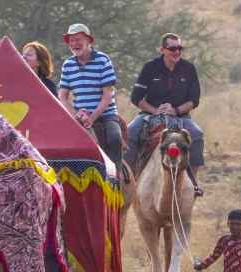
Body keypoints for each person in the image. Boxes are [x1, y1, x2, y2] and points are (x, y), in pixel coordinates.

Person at [126, 33, 205, 196]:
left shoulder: (189, 68)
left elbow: (194, 100)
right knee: (130, 132)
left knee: (197, 134)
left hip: (180, 117)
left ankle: (193, 182)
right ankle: (128, 180)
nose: (177, 52)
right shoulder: (150, 67)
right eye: (172, 48)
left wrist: (175, 110)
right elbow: (136, 97)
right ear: (162, 49)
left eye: (179, 48)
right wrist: (155, 110)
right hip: (149, 115)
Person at [58, 23, 122, 173]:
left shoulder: (103, 60)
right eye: (71, 41)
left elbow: (107, 96)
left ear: (88, 41)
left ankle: (116, 176)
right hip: (80, 115)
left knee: (115, 138)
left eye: (78, 39)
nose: (74, 44)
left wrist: (92, 118)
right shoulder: (68, 65)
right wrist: (76, 115)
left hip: (105, 114)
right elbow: (62, 95)